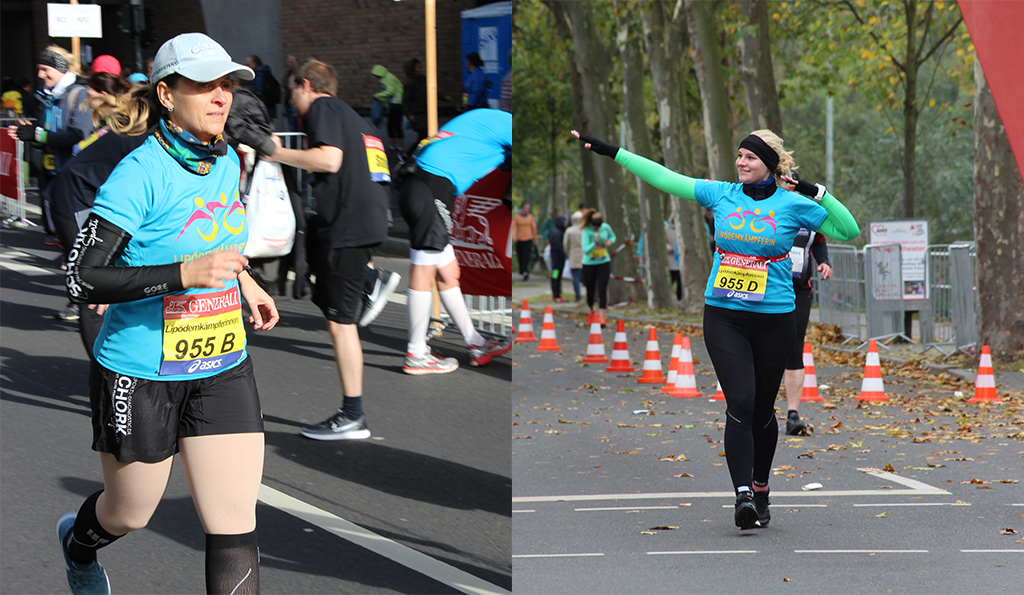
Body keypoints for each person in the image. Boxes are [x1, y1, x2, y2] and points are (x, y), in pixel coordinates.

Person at [57, 33, 278, 595]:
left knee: (234, 524)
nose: (220, 96)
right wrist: (185, 274)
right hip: (139, 369)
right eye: (204, 85)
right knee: (129, 513)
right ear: (166, 94)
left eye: (225, 84)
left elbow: (213, 241)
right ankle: (78, 548)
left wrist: (245, 280)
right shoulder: (140, 173)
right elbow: (82, 275)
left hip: (222, 362)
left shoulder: (227, 159)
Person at [573, 127, 859, 531]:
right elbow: (664, 177)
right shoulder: (720, 193)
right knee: (740, 402)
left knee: (763, 412)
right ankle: (742, 494)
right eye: (739, 155)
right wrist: (612, 151)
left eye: (750, 157)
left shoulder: (793, 205)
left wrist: (816, 190)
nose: (741, 162)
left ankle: (761, 487)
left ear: (771, 166)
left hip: (775, 318)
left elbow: (848, 230)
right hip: (724, 315)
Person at [265, 59, 389, 440]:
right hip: (365, 221)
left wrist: (276, 152)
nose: (292, 100)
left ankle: (353, 415)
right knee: (324, 282)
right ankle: (369, 282)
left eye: (291, 91)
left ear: (305, 84)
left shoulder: (323, 108)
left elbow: (328, 159)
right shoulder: (357, 118)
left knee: (341, 324)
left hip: (348, 226)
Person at [396, 108, 513, 374]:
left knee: (448, 273)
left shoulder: (486, 120)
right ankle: (416, 352)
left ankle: (477, 342)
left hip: (419, 185)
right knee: (423, 270)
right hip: (432, 187)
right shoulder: (508, 124)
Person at [46, 71, 140, 336]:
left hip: (97, 193)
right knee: (94, 284)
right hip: (76, 198)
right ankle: (101, 372)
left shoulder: (139, 128)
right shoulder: (143, 134)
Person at [224, 79, 310, 300]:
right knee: (263, 280)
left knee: (249, 282)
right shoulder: (268, 147)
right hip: (262, 231)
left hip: (244, 230)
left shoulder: (240, 148)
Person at [7, 46, 94, 239]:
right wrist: (28, 134)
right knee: (56, 225)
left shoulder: (79, 94)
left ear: (61, 69)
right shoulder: (47, 96)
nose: (40, 74)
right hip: (52, 171)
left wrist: (38, 135)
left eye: (45, 69)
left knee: (74, 229)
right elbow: (43, 134)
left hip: (74, 172)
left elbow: (78, 134)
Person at [783, 227, 832, 435]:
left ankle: (792, 415)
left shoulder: (811, 211)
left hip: (799, 291)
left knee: (795, 348)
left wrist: (824, 261)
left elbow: (818, 240)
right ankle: (757, 409)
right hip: (767, 288)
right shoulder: (769, 203)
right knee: (764, 345)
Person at [580, 209, 615, 325]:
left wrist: (609, 241)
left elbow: (612, 237)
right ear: (591, 224)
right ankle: (591, 309)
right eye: (595, 226)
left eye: (599, 225)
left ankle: (601, 317)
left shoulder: (605, 227)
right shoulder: (586, 232)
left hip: (603, 262)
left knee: (602, 288)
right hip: (589, 264)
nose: (597, 228)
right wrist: (594, 242)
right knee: (590, 289)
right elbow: (585, 250)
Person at [371, 64, 404, 156]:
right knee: (391, 126)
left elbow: (390, 91)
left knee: (395, 126)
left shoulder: (387, 78)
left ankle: (398, 148)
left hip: (397, 104)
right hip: (393, 104)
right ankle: (393, 147)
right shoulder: (386, 77)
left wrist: (378, 95)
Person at [401, 57, 428, 154]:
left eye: (420, 67)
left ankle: (410, 155)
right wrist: (409, 114)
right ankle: (407, 154)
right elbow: (405, 101)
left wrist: (444, 97)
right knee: (424, 136)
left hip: (425, 112)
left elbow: (430, 91)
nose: (420, 70)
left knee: (425, 137)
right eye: (417, 68)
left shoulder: (422, 79)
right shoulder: (410, 83)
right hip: (417, 115)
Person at [562, 210, 585, 301]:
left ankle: (578, 296)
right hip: (584, 255)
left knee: (575, 276)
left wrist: (568, 253)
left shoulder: (569, 231)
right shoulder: (584, 230)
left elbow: (565, 244)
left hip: (574, 255)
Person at [548, 214, 568, 302]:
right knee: (556, 276)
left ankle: (557, 293)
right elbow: (558, 247)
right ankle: (556, 294)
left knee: (558, 277)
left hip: (558, 260)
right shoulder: (557, 233)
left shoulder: (558, 232)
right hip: (556, 261)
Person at [513, 203, 536, 280]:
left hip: (528, 239)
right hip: (519, 239)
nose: (527, 209)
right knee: (520, 256)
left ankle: (526, 271)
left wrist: (535, 239)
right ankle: (521, 269)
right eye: (526, 208)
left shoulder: (530, 217)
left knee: (527, 256)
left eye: (528, 208)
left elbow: (533, 228)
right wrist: (514, 237)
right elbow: (512, 227)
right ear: (522, 208)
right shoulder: (517, 217)